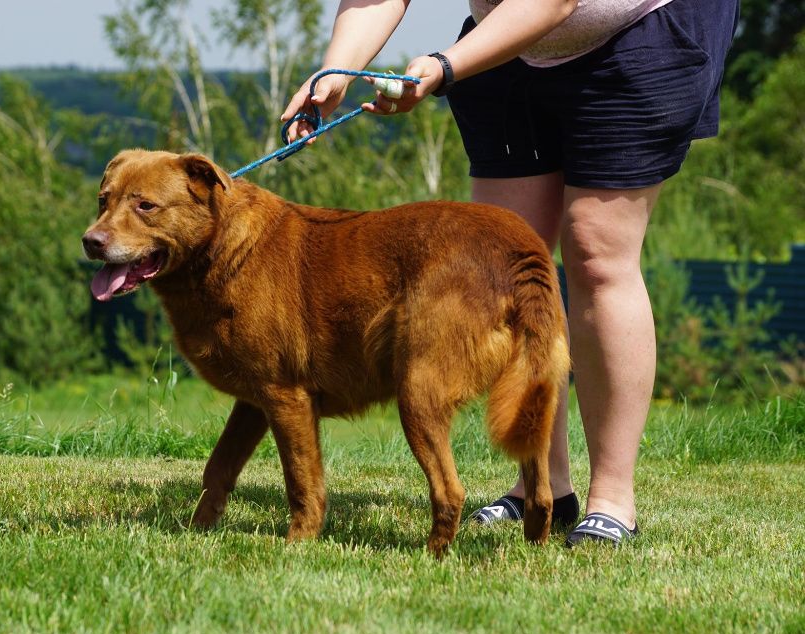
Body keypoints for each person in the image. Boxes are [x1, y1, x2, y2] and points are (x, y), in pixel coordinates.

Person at [281, 0, 738, 546]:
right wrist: (337, 68)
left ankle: (613, 498)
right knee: (506, 261)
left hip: (633, 29)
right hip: (503, 47)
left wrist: (446, 65)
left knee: (596, 249)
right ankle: (545, 487)